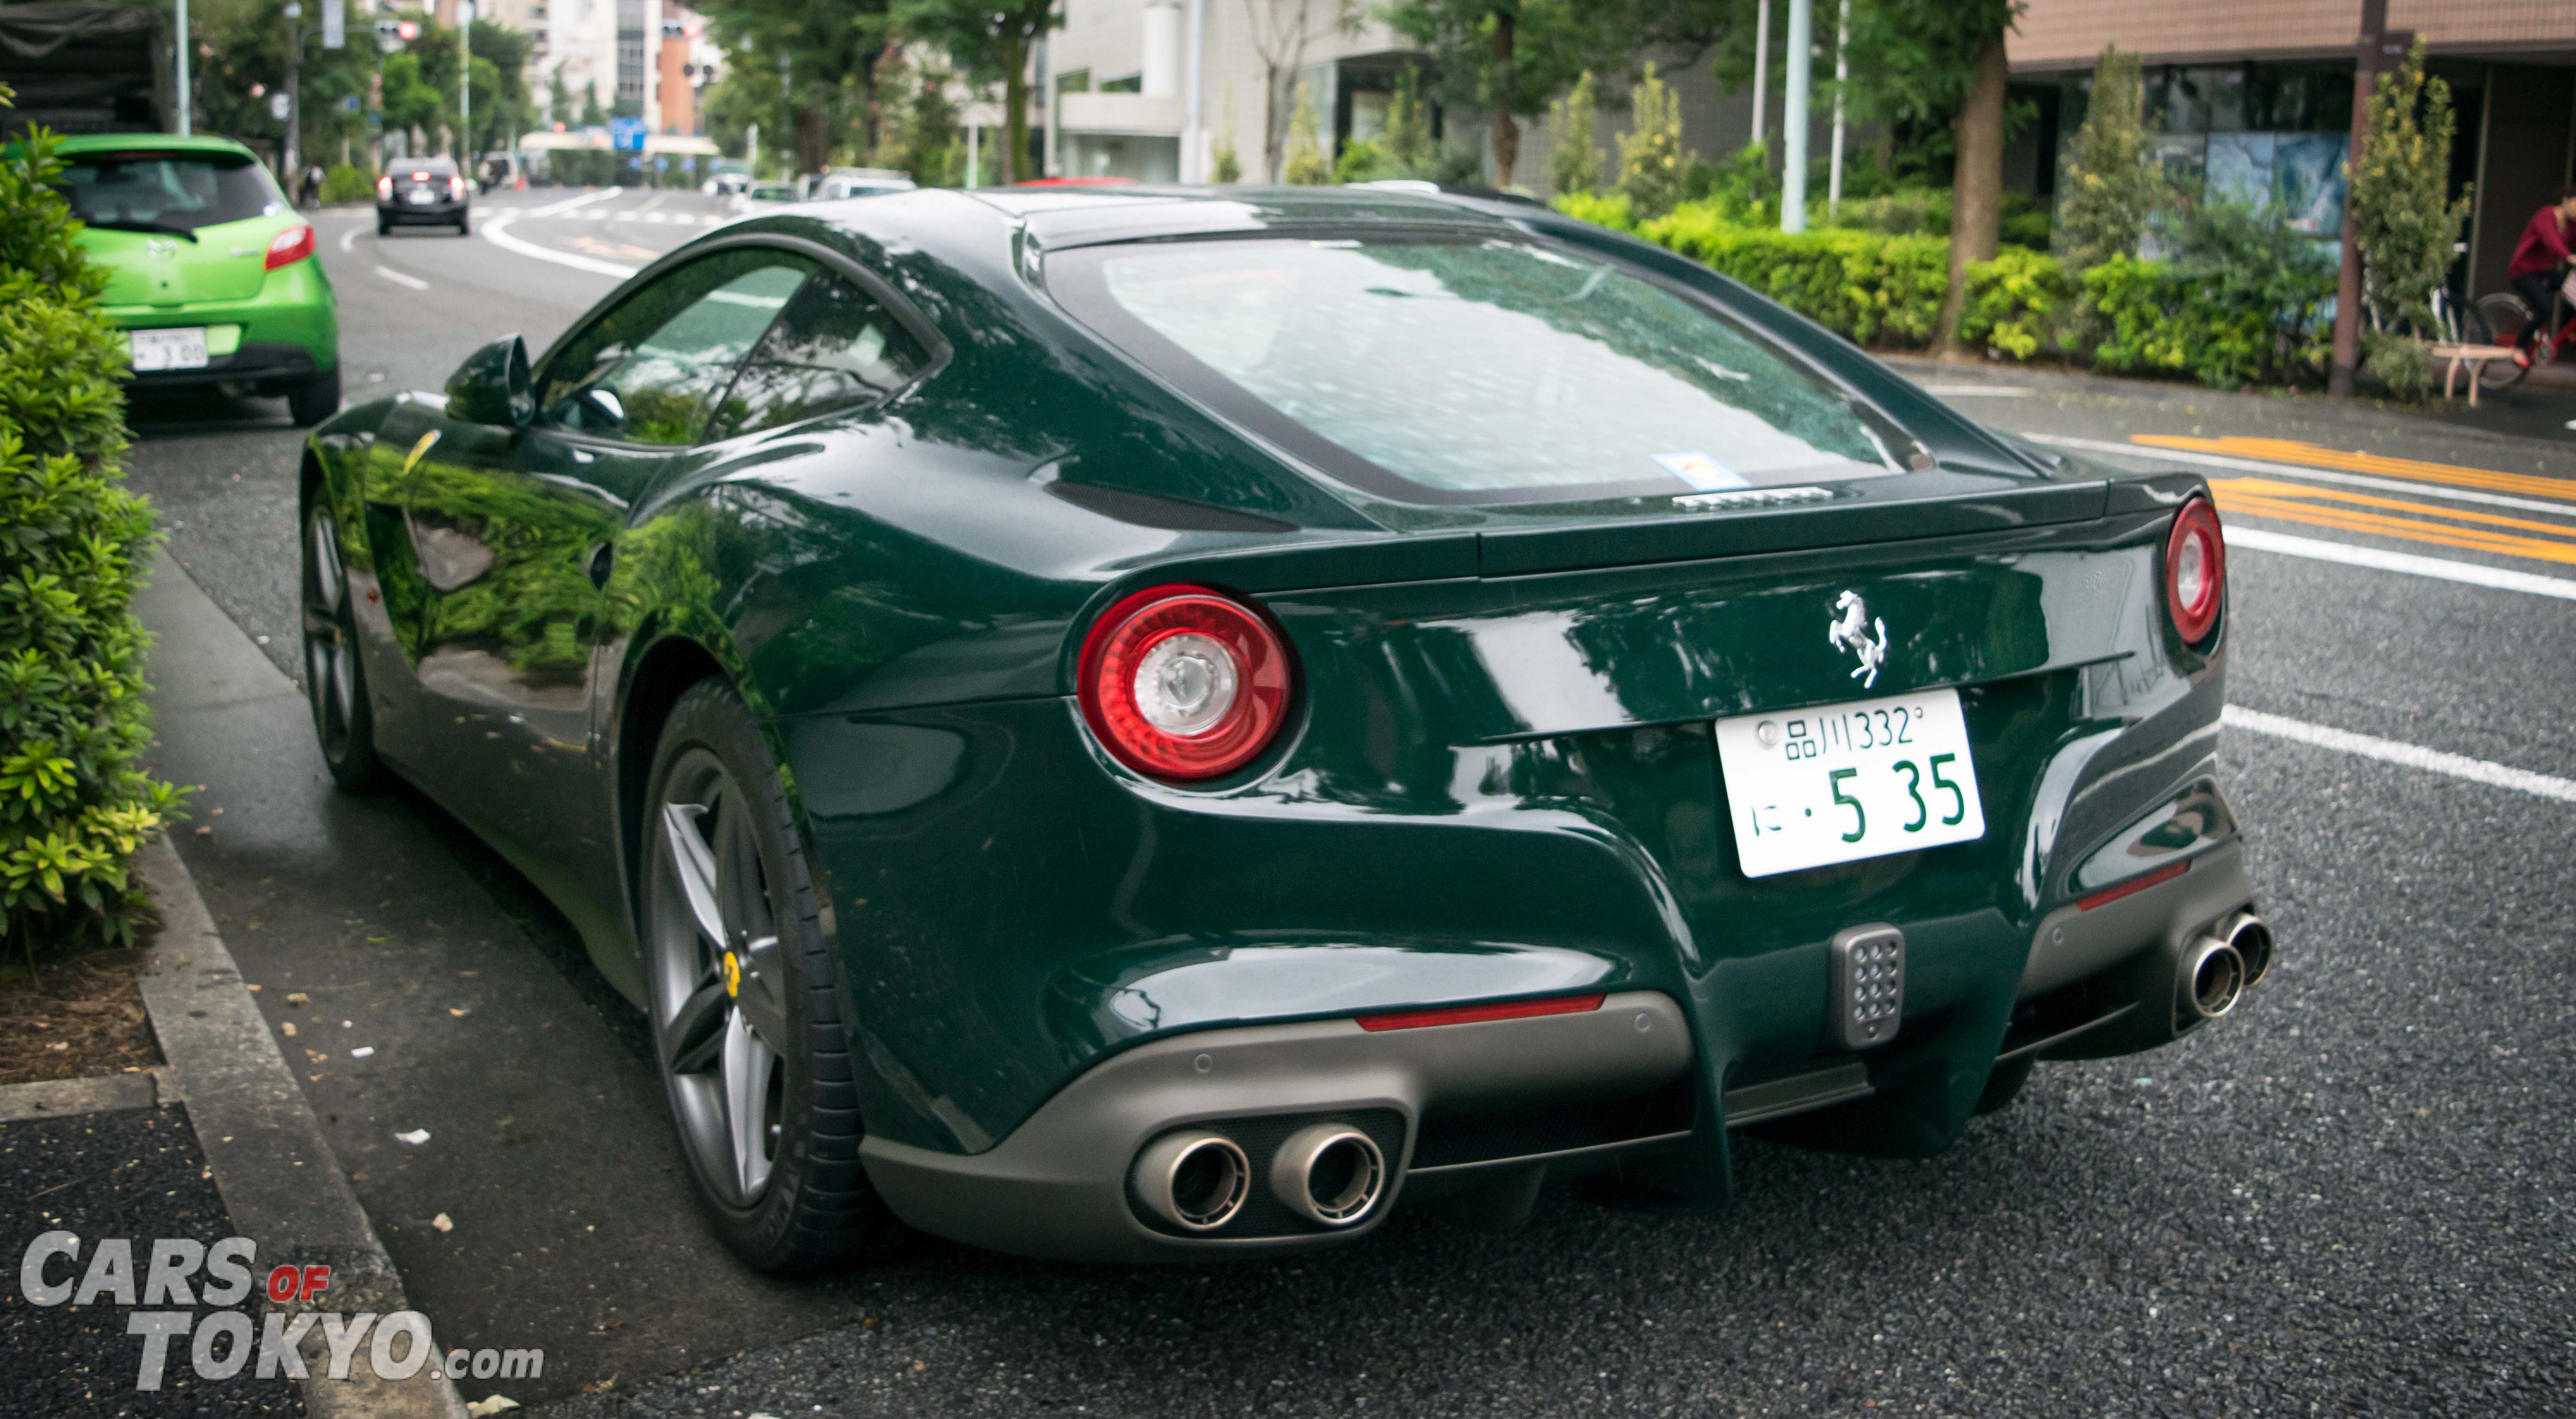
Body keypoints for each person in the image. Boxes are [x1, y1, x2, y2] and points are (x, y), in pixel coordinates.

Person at [2507, 186, 2576, 367]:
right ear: (2567, 200)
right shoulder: (2545, 216)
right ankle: (2519, 347)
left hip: (2546, 272)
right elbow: (2551, 240)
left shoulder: (2572, 225)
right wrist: (2570, 257)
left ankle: (2561, 338)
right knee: (2546, 305)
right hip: (2523, 272)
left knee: (2573, 287)